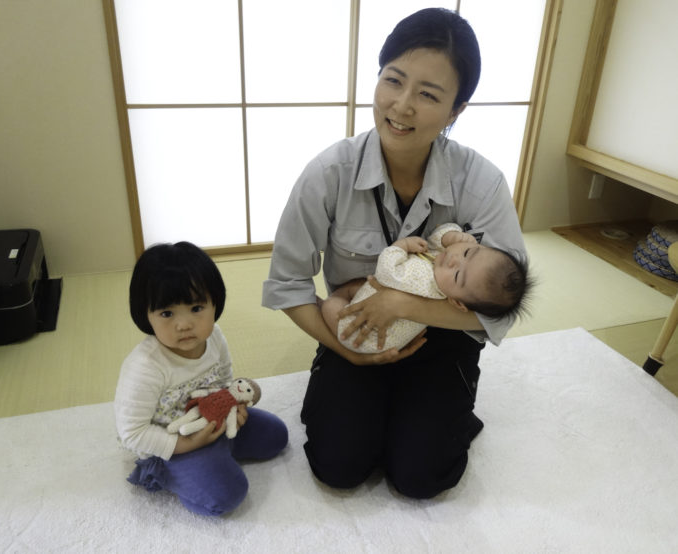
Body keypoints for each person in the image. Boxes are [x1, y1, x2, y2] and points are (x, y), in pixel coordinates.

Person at [262, 7, 528, 499]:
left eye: (428, 95)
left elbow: (500, 308)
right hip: (355, 327)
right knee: (338, 466)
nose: (401, 106)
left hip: (443, 337)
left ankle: (428, 415)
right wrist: (342, 348)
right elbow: (288, 284)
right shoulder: (328, 173)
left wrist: (404, 305)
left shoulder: (482, 181)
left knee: (421, 477)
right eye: (393, 80)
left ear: (455, 112)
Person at [115, 241, 288, 516]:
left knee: (277, 436)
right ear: (145, 316)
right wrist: (187, 445)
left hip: (215, 421)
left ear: (214, 303)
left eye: (196, 308)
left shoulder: (215, 337)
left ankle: (219, 452)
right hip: (174, 442)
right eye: (167, 313)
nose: (184, 324)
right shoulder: (145, 367)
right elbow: (132, 433)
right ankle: (164, 473)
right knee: (227, 495)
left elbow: (225, 381)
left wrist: (237, 407)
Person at [321, 223, 530, 354]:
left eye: (458, 275)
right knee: (357, 289)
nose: (453, 260)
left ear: (456, 303)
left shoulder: (424, 281)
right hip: (386, 327)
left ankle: (326, 305)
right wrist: (451, 236)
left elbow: (386, 271)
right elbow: (436, 240)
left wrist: (401, 246)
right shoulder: (444, 277)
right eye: (467, 252)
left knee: (333, 305)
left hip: (362, 336)